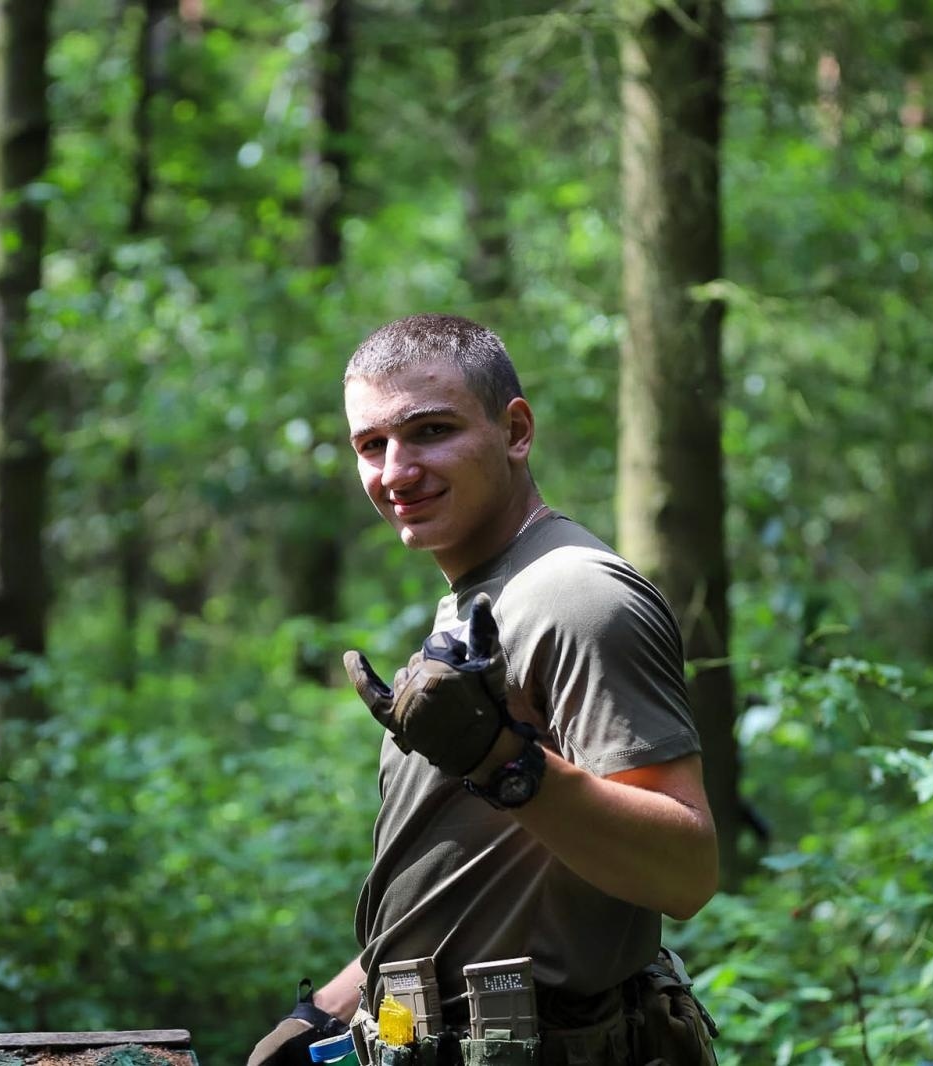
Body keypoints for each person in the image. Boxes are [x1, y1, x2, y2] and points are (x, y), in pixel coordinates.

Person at [249, 314, 719, 1066]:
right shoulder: (481, 602)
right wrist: (328, 1009)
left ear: (516, 431)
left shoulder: (576, 597)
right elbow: (474, 882)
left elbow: (685, 871)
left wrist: (502, 760)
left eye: (430, 431)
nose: (396, 471)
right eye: (371, 445)